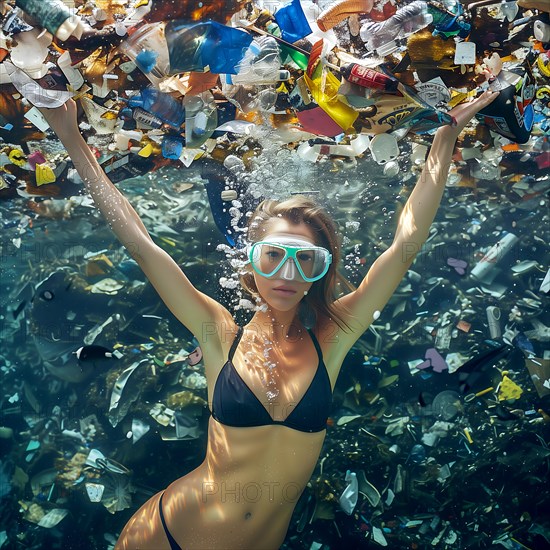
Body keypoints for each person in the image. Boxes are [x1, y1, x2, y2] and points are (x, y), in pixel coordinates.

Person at [39, 89, 498, 550]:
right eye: (273, 256)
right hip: (167, 536)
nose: (286, 274)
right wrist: (70, 136)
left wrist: (445, 137)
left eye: (306, 260)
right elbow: (141, 245)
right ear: (250, 263)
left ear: (322, 269)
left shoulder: (333, 335)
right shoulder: (219, 332)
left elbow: (405, 247)